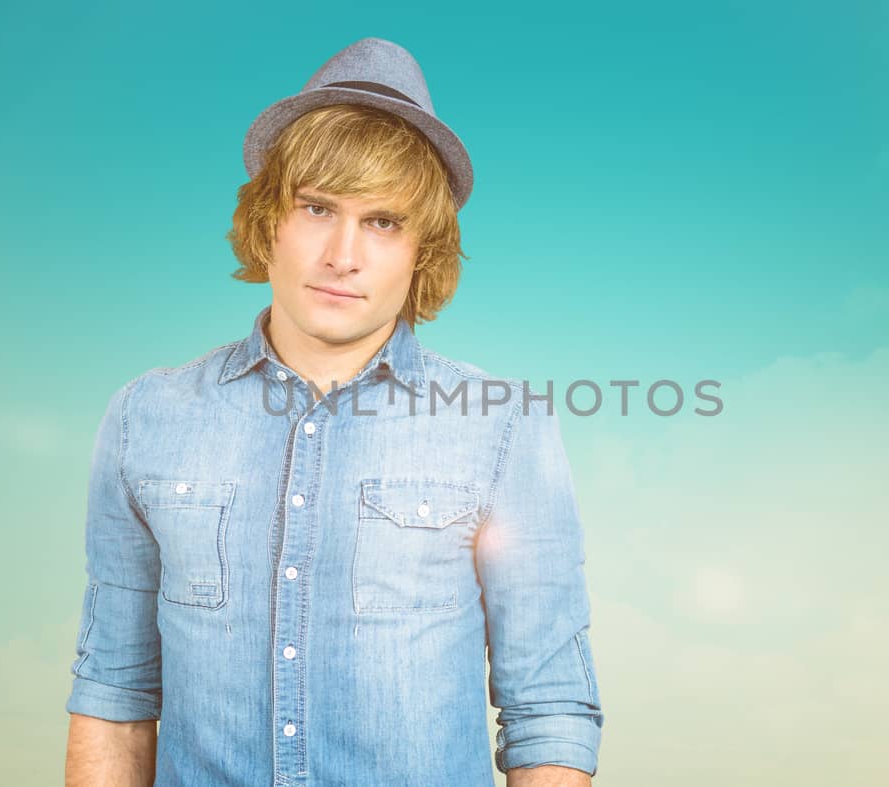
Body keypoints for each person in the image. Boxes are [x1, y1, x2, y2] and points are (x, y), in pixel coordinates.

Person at [64, 37, 602, 786]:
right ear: (269, 221)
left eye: (382, 221)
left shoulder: (504, 426)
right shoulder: (145, 417)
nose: (342, 254)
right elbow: (115, 689)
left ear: (423, 250)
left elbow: (548, 706)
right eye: (317, 207)